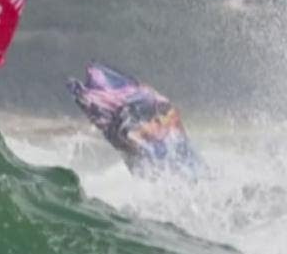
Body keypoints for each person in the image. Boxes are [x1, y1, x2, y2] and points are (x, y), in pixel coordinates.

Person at [68, 62, 201, 178]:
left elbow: (169, 114)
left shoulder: (160, 120)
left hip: (137, 119)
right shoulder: (131, 133)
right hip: (132, 124)